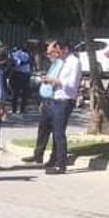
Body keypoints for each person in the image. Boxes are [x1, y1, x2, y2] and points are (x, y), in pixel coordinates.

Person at [41, 39, 81, 174]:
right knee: (54, 131)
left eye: (57, 51)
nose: (56, 54)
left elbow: (71, 84)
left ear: (65, 49)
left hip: (64, 100)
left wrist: (55, 81)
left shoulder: (74, 62)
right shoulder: (63, 62)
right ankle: (54, 159)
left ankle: (61, 164)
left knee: (59, 133)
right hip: (55, 98)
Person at [23, 41, 60, 166]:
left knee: (56, 130)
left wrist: (48, 80)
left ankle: (54, 157)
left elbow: (58, 82)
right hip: (46, 100)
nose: (48, 55)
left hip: (55, 100)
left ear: (57, 51)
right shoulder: (53, 64)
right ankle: (38, 154)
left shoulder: (61, 64)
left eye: (50, 53)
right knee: (43, 129)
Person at [9, 43, 32, 114]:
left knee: (15, 93)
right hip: (24, 74)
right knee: (24, 93)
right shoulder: (27, 54)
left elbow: (14, 63)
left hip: (17, 73)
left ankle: (14, 109)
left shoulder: (13, 54)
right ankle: (22, 109)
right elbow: (29, 62)